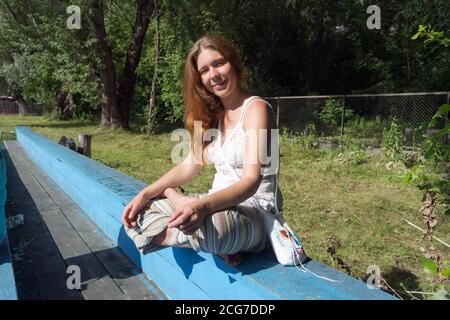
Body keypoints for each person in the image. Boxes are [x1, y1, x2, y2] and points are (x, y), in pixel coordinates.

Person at [121, 34, 282, 267]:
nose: (213, 75)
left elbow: (251, 181)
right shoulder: (213, 116)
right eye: (204, 70)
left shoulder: (257, 109)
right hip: (210, 208)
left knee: (219, 229)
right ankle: (206, 237)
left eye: (218, 63)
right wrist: (145, 194)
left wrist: (202, 207)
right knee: (138, 215)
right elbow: (190, 164)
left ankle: (178, 209)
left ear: (234, 63)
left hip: (253, 212)